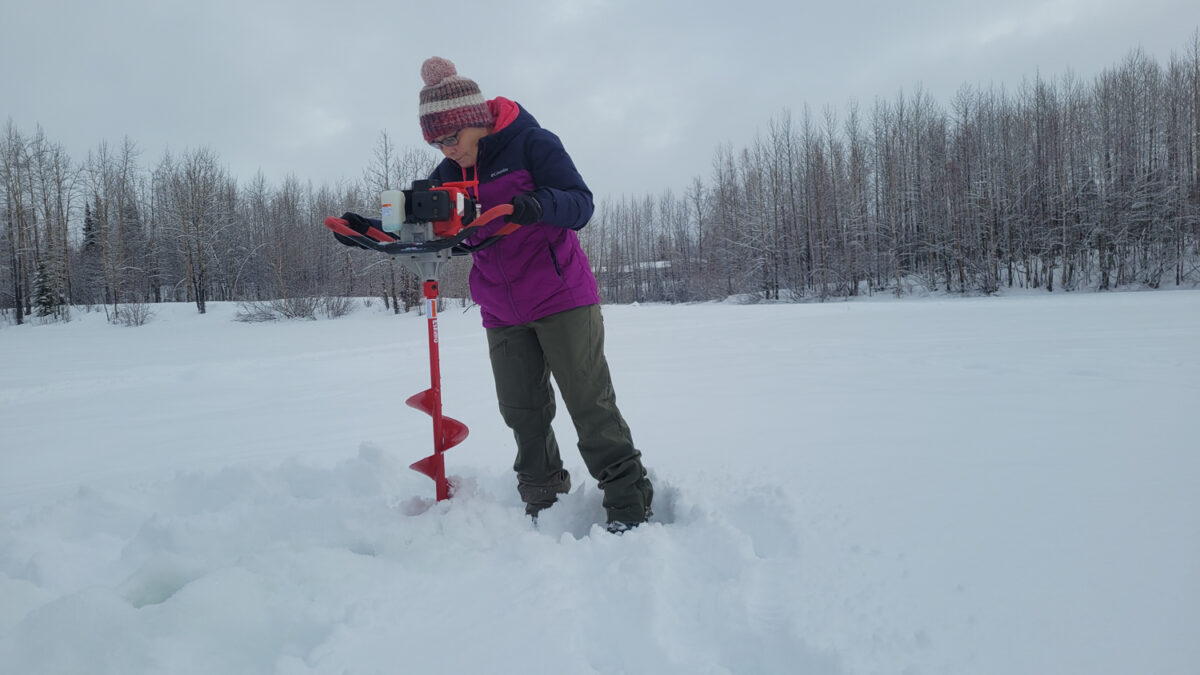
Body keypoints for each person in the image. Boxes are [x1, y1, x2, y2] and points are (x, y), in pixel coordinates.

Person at [341, 57, 653, 533]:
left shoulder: (533, 144)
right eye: (436, 143)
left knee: (589, 402)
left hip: (561, 296)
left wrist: (537, 205)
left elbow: (581, 204)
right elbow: (437, 231)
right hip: (501, 307)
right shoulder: (448, 171)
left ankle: (629, 503)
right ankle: (542, 497)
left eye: (451, 137)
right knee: (521, 409)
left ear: (474, 120)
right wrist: (373, 229)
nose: (447, 149)